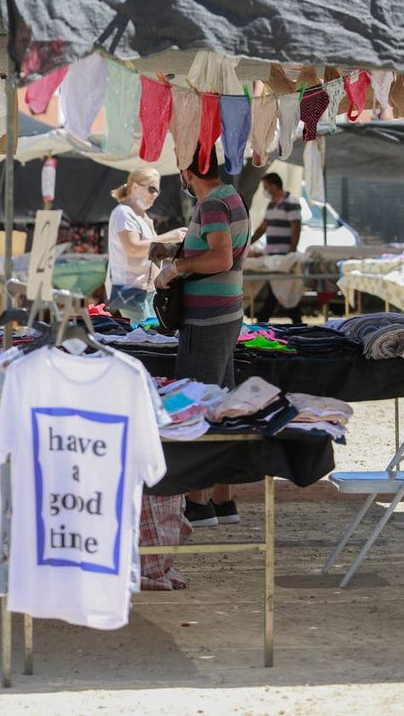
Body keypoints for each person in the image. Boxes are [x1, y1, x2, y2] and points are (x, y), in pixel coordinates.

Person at [155, 150, 251, 527]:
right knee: (222, 403)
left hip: (208, 319)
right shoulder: (230, 197)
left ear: (189, 170)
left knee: (195, 405)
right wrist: (179, 252)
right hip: (225, 312)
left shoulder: (211, 204)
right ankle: (223, 499)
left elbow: (220, 258)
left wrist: (176, 268)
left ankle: (198, 501)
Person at [105, 167, 186, 322]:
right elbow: (133, 248)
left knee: (151, 337)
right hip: (128, 290)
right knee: (144, 337)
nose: (155, 195)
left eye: (157, 191)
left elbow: (148, 252)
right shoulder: (123, 213)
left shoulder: (142, 216)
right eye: (151, 189)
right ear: (134, 187)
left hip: (146, 290)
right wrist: (170, 237)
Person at [249, 172, 303, 324]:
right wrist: (249, 242)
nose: (265, 190)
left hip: (283, 254)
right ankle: (295, 319)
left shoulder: (291, 202)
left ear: (273, 186)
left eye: (266, 187)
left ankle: (264, 319)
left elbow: (296, 229)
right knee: (278, 287)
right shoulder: (272, 204)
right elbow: (263, 227)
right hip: (272, 254)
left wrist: (291, 252)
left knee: (278, 287)